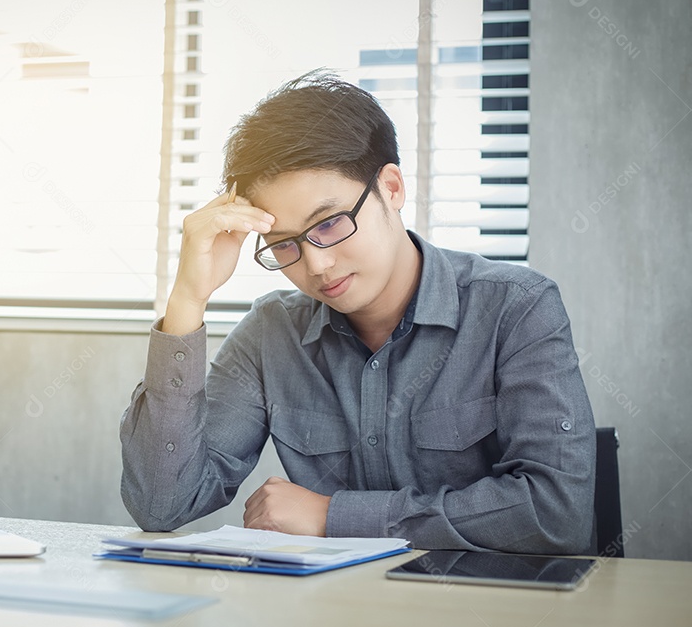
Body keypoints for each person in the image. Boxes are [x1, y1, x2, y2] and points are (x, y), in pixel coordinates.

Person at [119, 70, 596, 553]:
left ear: (391, 188)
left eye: (328, 224)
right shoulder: (270, 333)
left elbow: (555, 514)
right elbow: (162, 505)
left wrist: (332, 517)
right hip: (333, 617)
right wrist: (187, 299)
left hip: (492, 619)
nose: (316, 265)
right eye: (284, 245)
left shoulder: (516, 308)